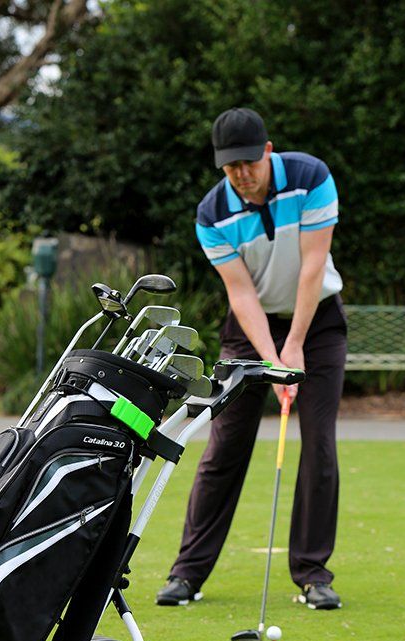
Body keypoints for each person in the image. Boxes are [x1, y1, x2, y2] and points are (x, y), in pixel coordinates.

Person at [156, 107, 347, 611]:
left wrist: (295, 346)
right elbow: (241, 296)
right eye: (229, 166)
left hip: (318, 324)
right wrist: (272, 360)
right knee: (224, 448)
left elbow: (311, 269)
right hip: (250, 331)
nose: (241, 175)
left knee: (319, 446)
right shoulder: (212, 213)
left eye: (248, 163)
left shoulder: (311, 178)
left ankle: (312, 574)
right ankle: (187, 573)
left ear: (267, 152)